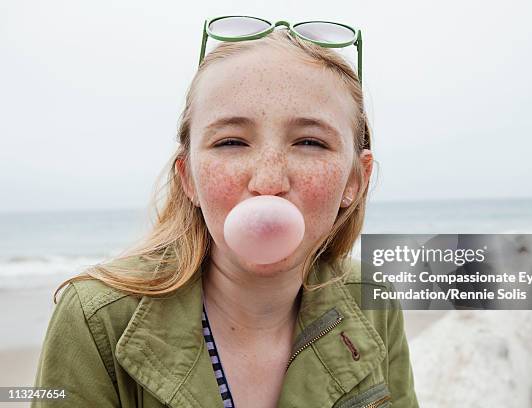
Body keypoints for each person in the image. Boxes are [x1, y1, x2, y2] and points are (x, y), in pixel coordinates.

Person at [33, 21, 419, 408]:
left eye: (309, 142)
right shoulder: (95, 319)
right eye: (231, 142)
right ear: (189, 179)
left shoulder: (374, 297)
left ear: (356, 179)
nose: (268, 181)